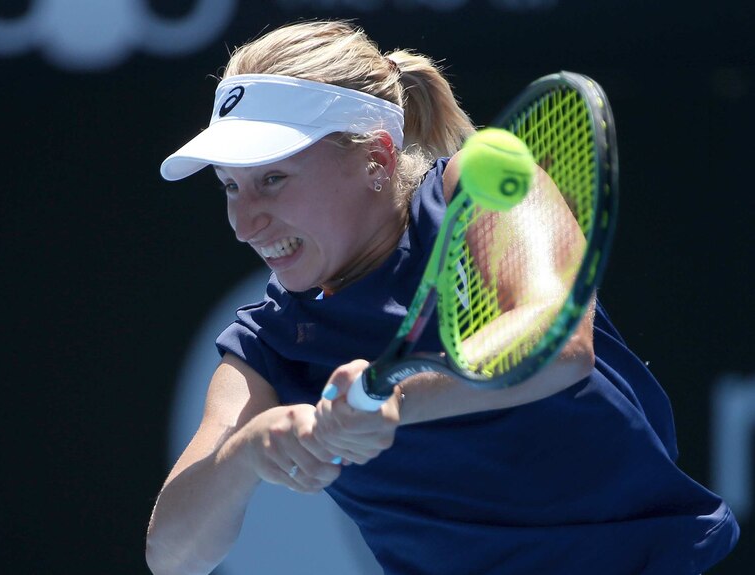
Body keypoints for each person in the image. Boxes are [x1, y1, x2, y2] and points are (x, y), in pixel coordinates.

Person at [145, 20, 739, 575]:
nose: (245, 223)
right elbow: (173, 556)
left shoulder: (481, 184)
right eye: (230, 186)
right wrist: (247, 453)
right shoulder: (264, 345)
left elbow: (558, 342)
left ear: (376, 159)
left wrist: (397, 400)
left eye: (272, 179)